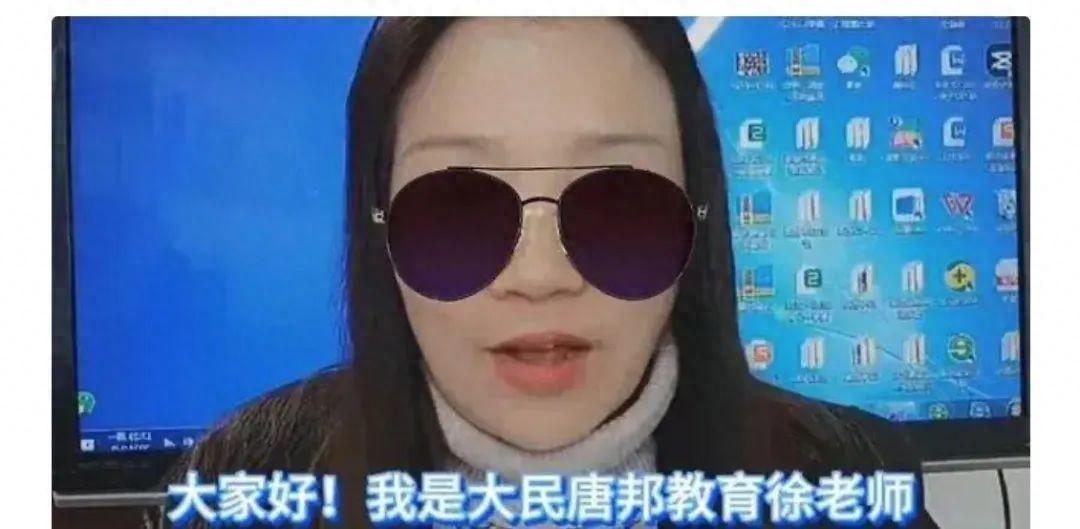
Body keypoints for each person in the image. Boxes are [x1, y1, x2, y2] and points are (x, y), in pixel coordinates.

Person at [164, 17, 939, 528]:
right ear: (378, 224)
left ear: (697, 217)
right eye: (458, 208)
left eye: (619, 202)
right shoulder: (245, 485)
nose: (539, 276)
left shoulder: (846, 481)